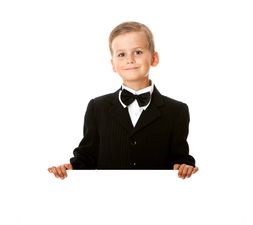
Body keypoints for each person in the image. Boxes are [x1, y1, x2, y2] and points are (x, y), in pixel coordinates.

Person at [48, 21, 198, 179]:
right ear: (113, 64)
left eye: (138, 52)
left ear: (154, 58)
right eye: (121, 54)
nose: (130, 59)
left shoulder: (177, 110)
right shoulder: (97, 107)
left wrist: (183, 166)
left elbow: (179, 156)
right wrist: (69, 169)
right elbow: (87, 156)